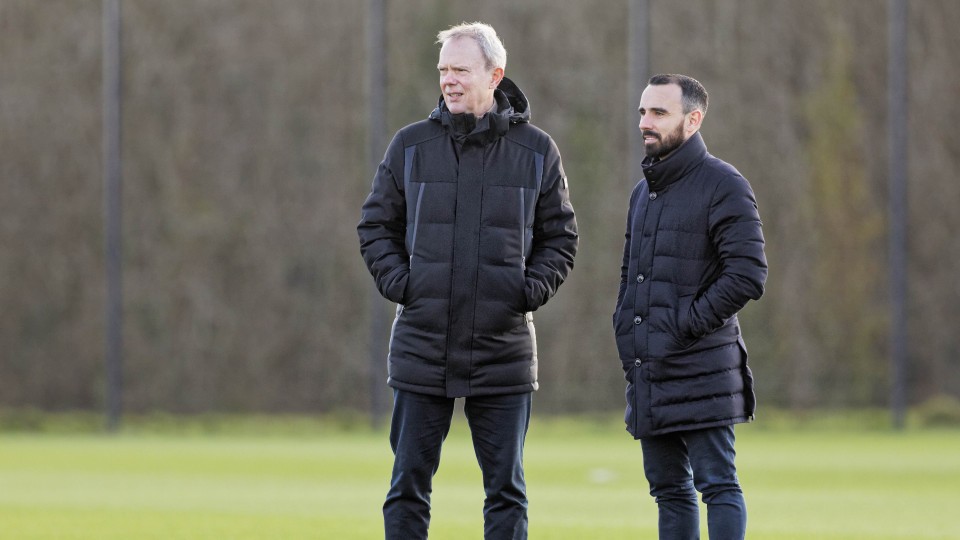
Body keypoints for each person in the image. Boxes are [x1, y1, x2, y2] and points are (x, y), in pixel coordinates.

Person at [358, 22, 578, 540]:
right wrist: (403, 284)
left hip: (503, 350)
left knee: (506, 490)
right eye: (443, 71)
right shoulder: (409, 145)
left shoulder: (538, 150)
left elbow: (561, 239)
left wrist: (526, 292)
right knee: (407, 485)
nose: (448, 81)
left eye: (460, 70)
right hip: (422, 344)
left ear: (495, 75)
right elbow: (374, 226)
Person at [612, 74, 767, 539]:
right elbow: (630, 276)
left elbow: (748, 274)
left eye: (659, 112)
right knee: (669, 491)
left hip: (702, 367)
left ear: (693, 120)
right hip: (650, 367)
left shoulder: (724, 184)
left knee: (717, 486)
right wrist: (626, 327)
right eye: (642, 111)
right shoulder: (643, 192)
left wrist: (685, 324)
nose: (645, 122)